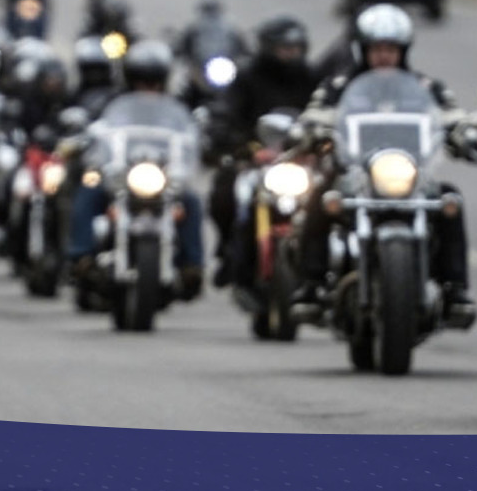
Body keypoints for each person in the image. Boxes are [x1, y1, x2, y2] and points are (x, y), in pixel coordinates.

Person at [295, 4, 477, 323]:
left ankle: (454, 290)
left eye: (391, 49)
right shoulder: (338, 88)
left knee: (450, 201)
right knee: (321, 199)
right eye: (377, 49)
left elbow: (452, 117)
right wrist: (311, 132)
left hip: (413, 174)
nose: (384, 56)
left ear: (403, 51)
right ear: (362, 50)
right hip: (357, 173)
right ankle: (311, 284)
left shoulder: (426, 87)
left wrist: (465, 135)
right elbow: (313, 116)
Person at [65, 40, 205, 301]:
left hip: (160, 176)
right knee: (88, 191)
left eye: (154, 82)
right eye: (142, 82)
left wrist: (199, 140)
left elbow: (189, 135)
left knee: (191, 201)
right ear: (130, 80)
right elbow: (96, 130)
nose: (148, 88)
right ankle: (81, 256)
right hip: (122, 176)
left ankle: (192, 266)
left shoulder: (175, 110)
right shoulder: (112, 104)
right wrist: (87, 139)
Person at [207, 15, 317, 289]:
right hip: (256, 158)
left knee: (330, 202)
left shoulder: (311, 78)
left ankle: (324, 265)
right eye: (284, 48)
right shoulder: (247, 77)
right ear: (268, 48)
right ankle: (228, 251)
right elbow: (226, 114)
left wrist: (320, 145)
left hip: (302, 159)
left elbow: (326, 114)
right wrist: (239, 145)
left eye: (296, 48)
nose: (291, 54)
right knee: (225, 191)